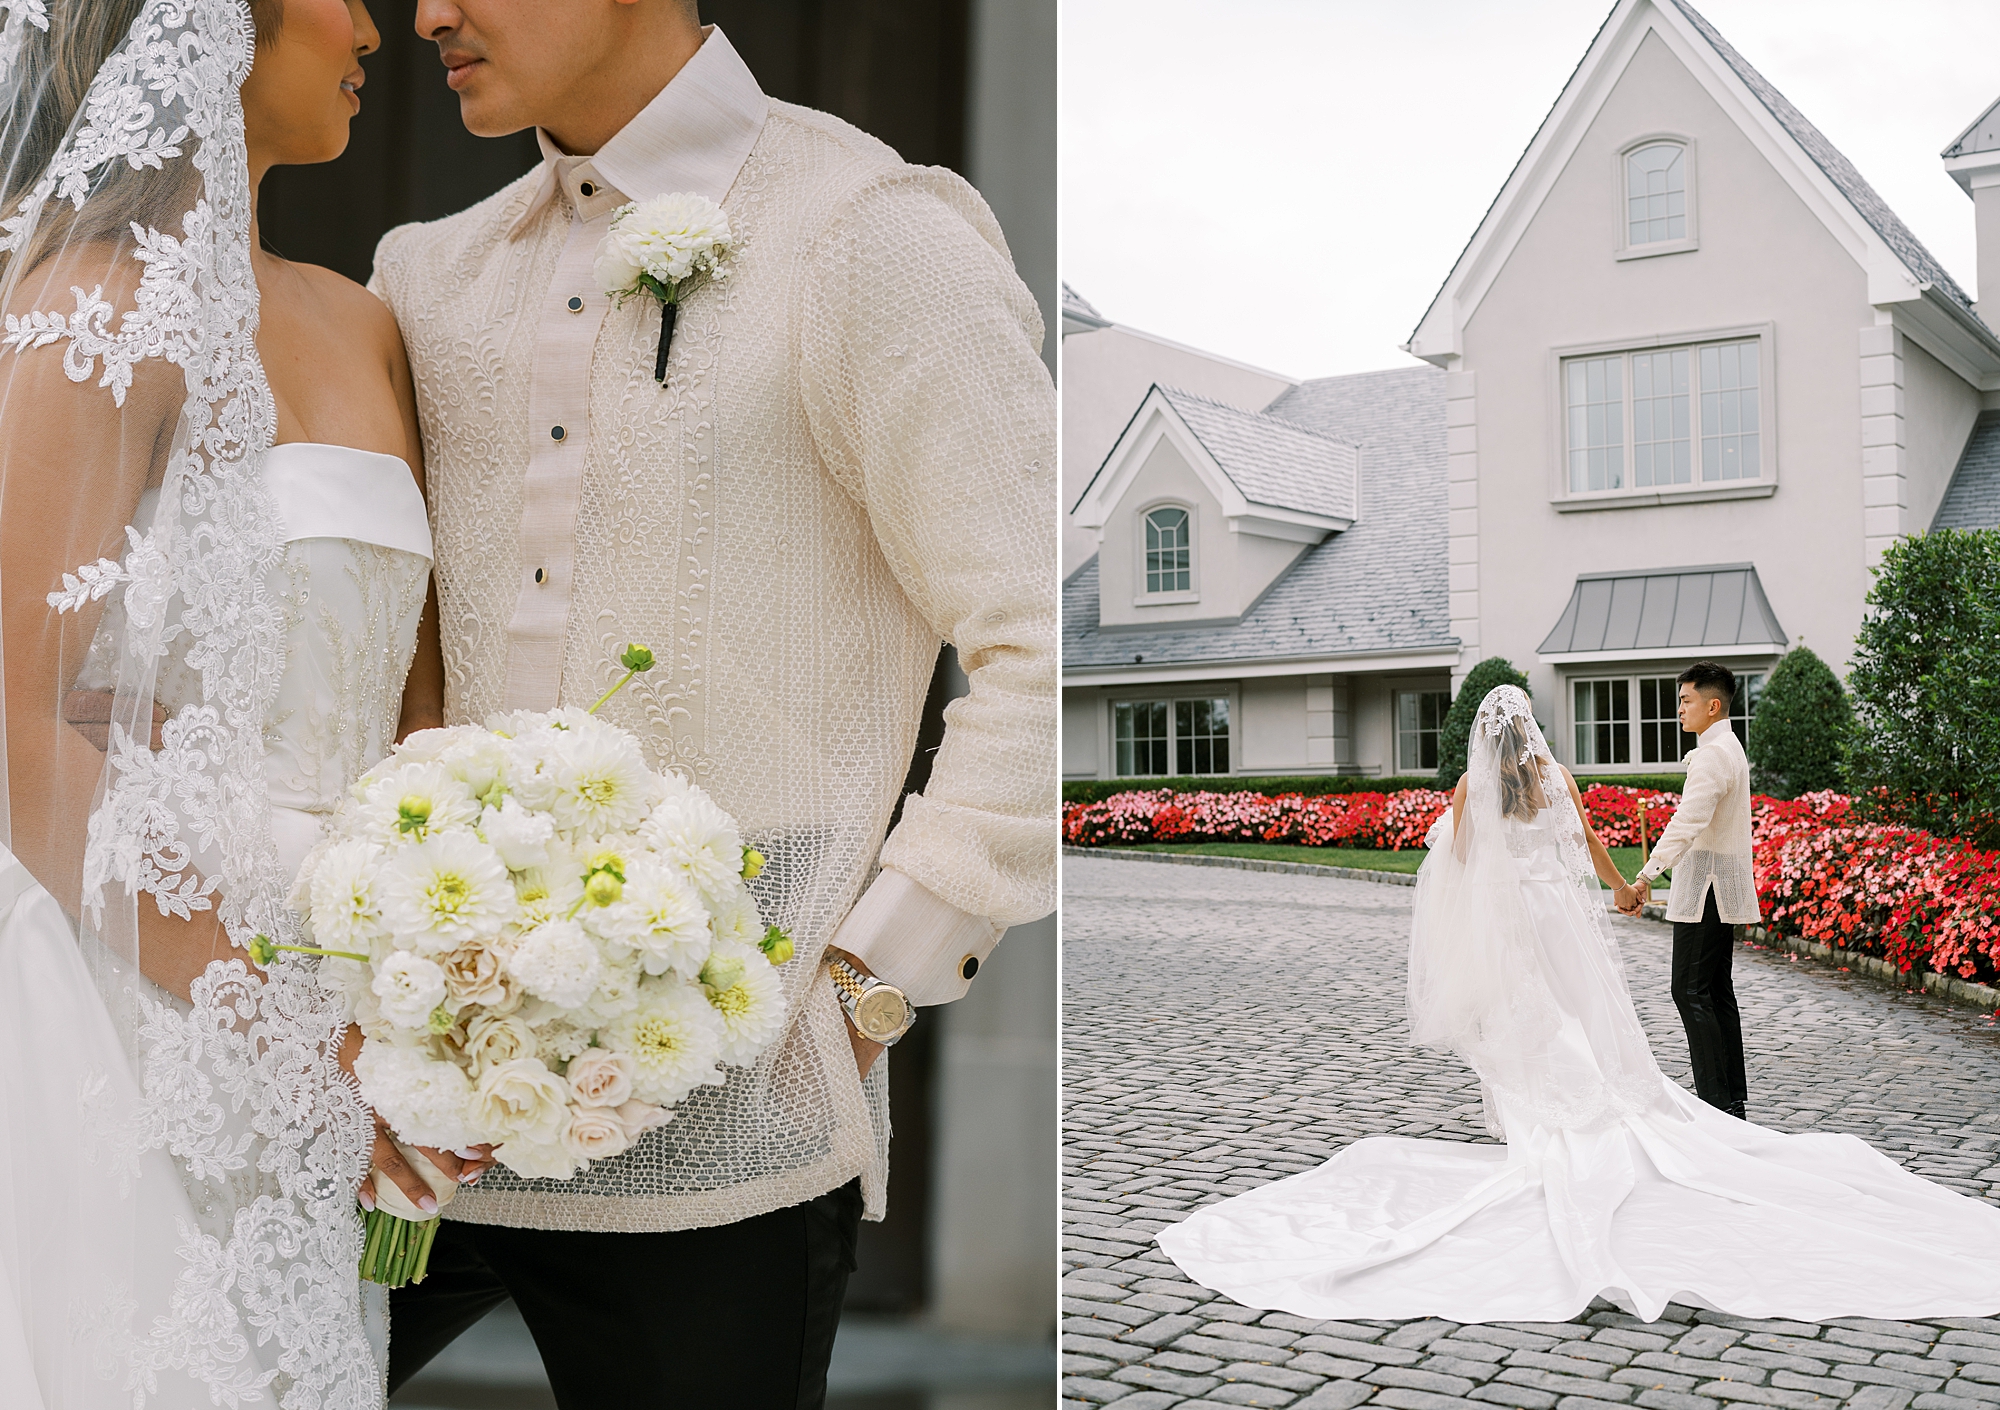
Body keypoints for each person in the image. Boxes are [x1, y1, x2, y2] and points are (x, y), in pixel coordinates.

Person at [366, 2, 1056, 1405]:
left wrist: (863, 987)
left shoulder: (872, 233)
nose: (427, 13)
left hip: (722, 1103)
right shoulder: (423, 274)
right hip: (420, 1087)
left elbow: (1044, 642)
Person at [0, 0, 470, 1404]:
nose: (377, 25)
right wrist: (276, 1035)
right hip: (140, 995)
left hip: (348, 981)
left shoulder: (365, 321)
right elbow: (18, 716)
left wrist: (433, 985)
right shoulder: (85, 311)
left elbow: (416, 714)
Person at [1156, 685, 2000, 1323]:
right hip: (1561, 918)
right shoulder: (1557, 774)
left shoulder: (1471, 789)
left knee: (1535, 1025)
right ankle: (1595, 1103)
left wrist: (1460, 868)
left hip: (1518, 922)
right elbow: (1590, 842)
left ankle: (1557, 1124)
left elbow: (1461, 866)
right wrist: (1622, 894)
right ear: (1532, 729)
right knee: (1580, 1015)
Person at [1619, 660, 1753, 1120]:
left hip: (1707, 891)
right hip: (1717, 887)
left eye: (1686, 700)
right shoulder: (1727, 745)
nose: (1679, 709)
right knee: (1715, 991)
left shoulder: (1715, 753)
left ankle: (1717, 1104)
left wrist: (1645, 876)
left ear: (1712, 705)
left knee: (1691, 990)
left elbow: (1688, 821)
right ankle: (1731, 1098)